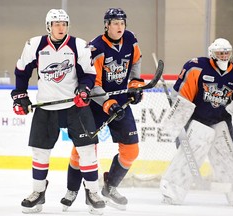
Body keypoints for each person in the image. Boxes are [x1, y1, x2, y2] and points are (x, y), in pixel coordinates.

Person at [10, 9, 105, 214]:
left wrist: (83, 90)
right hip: (46, 107)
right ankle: (38, 192)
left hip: (75, 107)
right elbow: (21, 72)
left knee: (87, 151)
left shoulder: (79, 46)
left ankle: (93, 193)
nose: (61, 27)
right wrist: (20, 95)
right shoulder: (34, 45)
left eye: (64, 24)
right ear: (48, 26)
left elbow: (89, 74)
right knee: (40, 152)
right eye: (56, 24)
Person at [60, 8, 144, 211]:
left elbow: (136, 62)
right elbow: (92, 82)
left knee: (131, 150)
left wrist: (135, 85)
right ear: (106, 25)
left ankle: (110, 187)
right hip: (96, 105)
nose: (120, 27)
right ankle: (72, 190)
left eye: (122, 23)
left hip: (121, 102)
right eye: (115, 23)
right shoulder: (96, 48)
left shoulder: (131, 40)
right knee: (83, 151)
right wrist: (107, 103)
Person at [160, 38, 233, 206]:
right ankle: (171, 192)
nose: (223, 56)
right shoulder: (197, 67)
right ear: (211, 54)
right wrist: (180, 122)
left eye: (226, 53)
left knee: (228, 156)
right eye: (219, 53)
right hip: (196, 119)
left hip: (221, 120)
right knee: (187, 155)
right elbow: (184, 97)